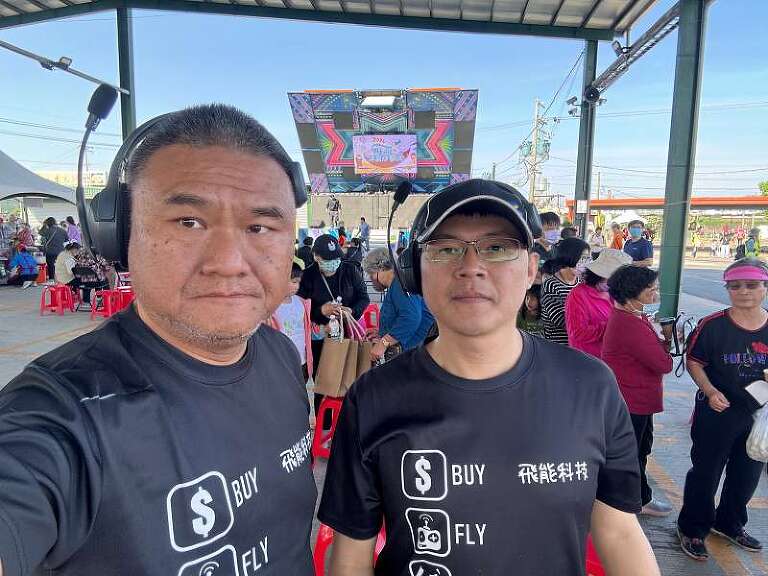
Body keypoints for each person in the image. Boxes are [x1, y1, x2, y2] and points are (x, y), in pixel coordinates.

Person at [0, 104, 317, 576]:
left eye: (260, 227)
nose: (229, 262)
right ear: (117, 234)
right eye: (189, 222)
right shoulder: (62, 413)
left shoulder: (281, 356)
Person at [318, 178, 660, 576]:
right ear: (415, 272)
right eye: (446, 249)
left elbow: (619, 532)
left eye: (497, 248)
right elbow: (351, 555)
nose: (471, 268)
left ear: (531, 269)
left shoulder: (591, 387)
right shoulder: (373, 398)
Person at [676, 258, 768, 561]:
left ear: (765, 288)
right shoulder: (713, 325)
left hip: (757, 415)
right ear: (728, 289)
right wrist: (709, 390)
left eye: (752, 285)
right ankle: (692, 528)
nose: (744, 291)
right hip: (717, 412)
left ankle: (729, 522)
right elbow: (694, 361)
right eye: (735, 286)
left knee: (747, 474)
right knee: (706, 472)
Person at [601, 265, 674, 519]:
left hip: (633, 398)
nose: (655, 294)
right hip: (632, 401)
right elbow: (664, 364)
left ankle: (639, 497)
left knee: (639, 450)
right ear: (632, 293)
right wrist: (668, 341)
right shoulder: (630, 325)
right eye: (650, 289)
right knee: (632, 453)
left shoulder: (632, 317)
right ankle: (632, 500)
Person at [298, 233, 369, 414]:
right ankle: (325, 422)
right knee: (324, 385)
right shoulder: (307, 277)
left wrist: (351, 311)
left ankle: (347, 420)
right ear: (316, 257)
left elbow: (364, 298)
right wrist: (322, 311)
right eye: (327, 259)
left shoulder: (350, 271)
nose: (333, 263)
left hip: (348, 337)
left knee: (349, 381)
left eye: (336, 258)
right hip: (320, 341)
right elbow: (300, 310)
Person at [362, 247, 434, 363]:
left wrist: (384, 342)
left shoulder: (400, 284)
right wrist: (383, 331)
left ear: (381, 269)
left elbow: (411, 318)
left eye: (371, 274)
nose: (371, 279)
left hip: (412, 355)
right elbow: (400, 314)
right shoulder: (398, 283)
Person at [565, 249, 631, 358]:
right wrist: (612, 326)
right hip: (589, 359)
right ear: (598, 276)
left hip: (610, 355)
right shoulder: (579, 295)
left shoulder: (612, 292)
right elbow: (578, 332)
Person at [540, 237, 590, 345]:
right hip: (558, 347)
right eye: (583, 258)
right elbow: (562, 320)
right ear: (570, 257)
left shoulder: (582, 282)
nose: (586, 263)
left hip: (578, 345)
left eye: (588, 259)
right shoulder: (551, 285)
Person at [273, 258, 314, 383]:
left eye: (298, 282)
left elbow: (306, 328)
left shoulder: (302, 303)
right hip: (280, 362)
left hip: (301, 360)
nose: (297, 286)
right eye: (293, 282)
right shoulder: (271, 307)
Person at [38, 216, 68, 282]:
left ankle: (52, 279)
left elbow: (40, 233)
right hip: (60, 251)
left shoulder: (47, 230)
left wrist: (44, 225)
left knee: (51, 266)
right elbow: (67, 239)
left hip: (50, 251)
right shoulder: (62, 230)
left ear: (47, 223)